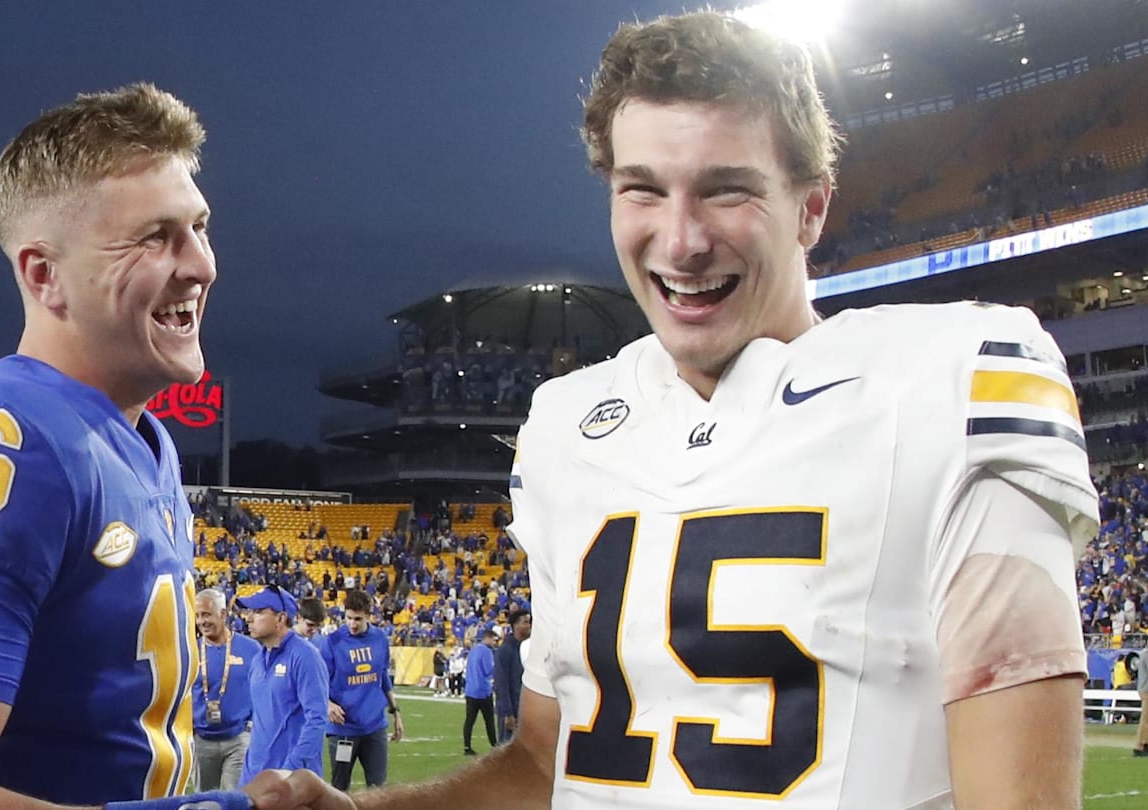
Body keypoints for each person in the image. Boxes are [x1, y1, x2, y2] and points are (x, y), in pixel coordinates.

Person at [252, 9, 1092, 810]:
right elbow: (546, 765)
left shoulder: (951, 383)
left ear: (811, 207)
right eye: (643, 190)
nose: (682, 241)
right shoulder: (567, 426)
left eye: (726, 191)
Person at [0, 83, 255, 810]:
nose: (201, 265)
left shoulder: (144, 444)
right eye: (155, 236)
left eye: (200, 227)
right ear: (45, 275)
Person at [238, 586, 328, 786]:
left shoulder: (305, 656)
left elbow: (317, 719)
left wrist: (290, 769)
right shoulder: (258, 659)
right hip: (254, 775)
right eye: (249, 612)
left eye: (258, 612)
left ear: (280, 618)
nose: (249, 618)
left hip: (290, 779)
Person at [322, 590, 403, 791]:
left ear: (368, 615)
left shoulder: (380, 639)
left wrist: (395, 712)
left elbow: (382, 676)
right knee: (339, 789)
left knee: (378, 790)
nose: (352, 624)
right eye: (348, 618)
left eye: (358, 619)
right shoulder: (332, 642)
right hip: (343, 729)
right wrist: (328, 704)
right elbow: (317, 683)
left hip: (374, 726)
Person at [193, 589, 261, 790]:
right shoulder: (190, 651)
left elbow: (263, 689)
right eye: (197, 615)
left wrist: (252, 724)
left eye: (206, 614)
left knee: (238, 798)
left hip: (238, 738)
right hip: (201, 740)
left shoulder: (251, 649)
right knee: (203, 801)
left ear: (223, 614)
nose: (201, 621)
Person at [493, 610, 530, 743]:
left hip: (526, 708)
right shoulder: (505, 650)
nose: (529, 626)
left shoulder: (528, 648)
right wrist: (507, 713)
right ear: (515, 625)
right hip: (512, 709)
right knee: (508, 748)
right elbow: (501, 683)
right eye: (525, 622)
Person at [461, 629, 496, 756]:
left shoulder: (473, 650)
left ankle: (467, 746)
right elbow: (488, 670)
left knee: (469, 720)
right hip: (483, 690)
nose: (494, 643)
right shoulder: (487, 652)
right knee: (489, 720)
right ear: (489, 638)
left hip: (470, 690)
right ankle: (495, 745)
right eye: (494, 640)